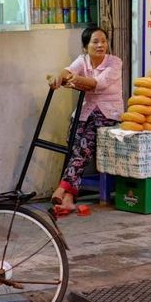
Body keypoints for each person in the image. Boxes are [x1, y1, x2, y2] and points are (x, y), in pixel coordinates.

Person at [47, 26, 123, 215]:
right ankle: (69, 197)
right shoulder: (83, 60)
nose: (100, 45)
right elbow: (67, 71)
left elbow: (97, 84)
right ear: (85, 46)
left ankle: (63, 188)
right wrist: (60, 77)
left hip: (107, 114)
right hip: (86, 113)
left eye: (103, 41)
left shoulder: (114, 63)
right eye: (95, 42)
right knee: (73, 141)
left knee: (84, 145)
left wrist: (75, 79)